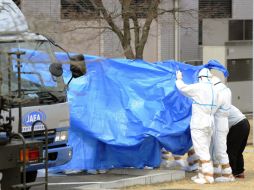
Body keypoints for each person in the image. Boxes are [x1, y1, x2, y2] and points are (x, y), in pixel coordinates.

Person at [175, 68, 218, 184]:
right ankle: (201, 174)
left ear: (200, 78)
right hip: (210, 122)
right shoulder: (214, 89)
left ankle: (208, 176)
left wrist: (179, 79)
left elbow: (183, 88)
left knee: (201, 151)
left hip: (199, 123)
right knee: (205, 149)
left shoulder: (200, 87)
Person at [210, 76, 234, 182]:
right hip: (222, 121)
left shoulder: (219, 92)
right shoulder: (226, 89)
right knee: (217, 148)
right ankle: (217, 170)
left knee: (220, 149)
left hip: (219, 121)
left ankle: (227, 173)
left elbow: (213, 108)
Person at [227, 105, 250, 178]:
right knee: (238, 150)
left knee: (231, 150)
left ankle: (232, 173)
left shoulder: (218, 106)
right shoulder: (226, 103)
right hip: (245, 123)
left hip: (238, 125)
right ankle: (240, 172)